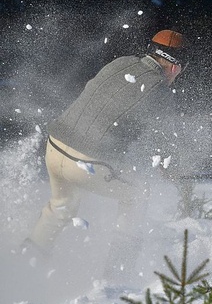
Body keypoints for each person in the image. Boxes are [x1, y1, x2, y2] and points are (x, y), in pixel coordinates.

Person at [23, 30, 189, 276]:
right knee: (139, 194)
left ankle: (27, 264)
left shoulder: (121, 62)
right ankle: (117, 276)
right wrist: (172, 169)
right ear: (175, 67)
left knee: (62, 205)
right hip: (84, 160)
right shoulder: (159, 90)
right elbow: (163, 143)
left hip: (54, 146)